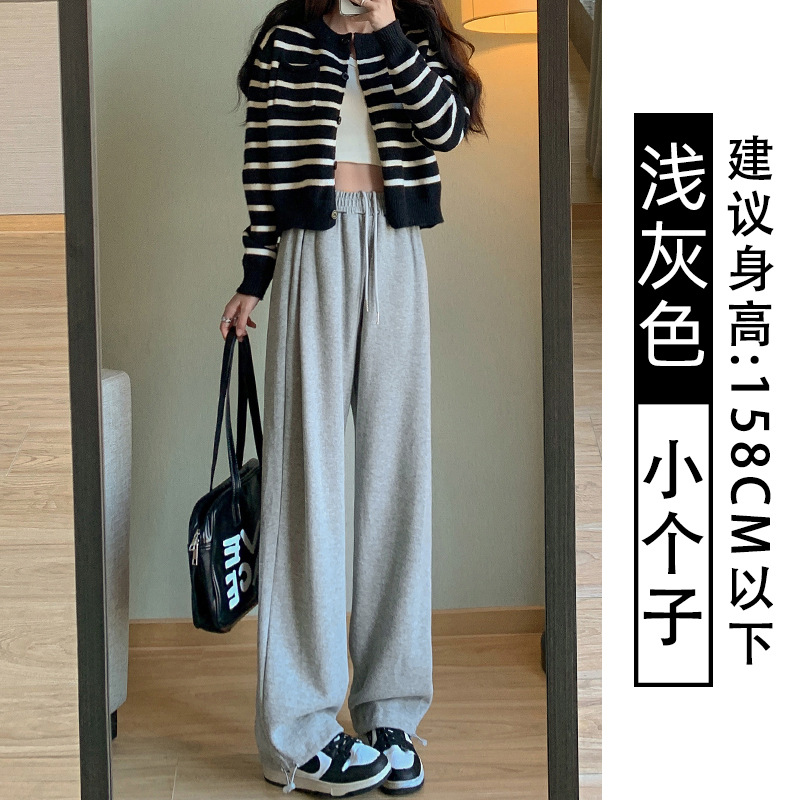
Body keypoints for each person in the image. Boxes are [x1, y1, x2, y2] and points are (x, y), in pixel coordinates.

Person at [220, 0, 485, 795]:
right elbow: (263, 164)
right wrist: (255, 275)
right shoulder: (287, 38)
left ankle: (389, 711)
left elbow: (443, 129)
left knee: (398, 477)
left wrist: (387, 28)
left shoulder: (415, 34)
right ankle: (298, 731)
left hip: (397, 249)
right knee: (306, 483)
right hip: (312, 245)